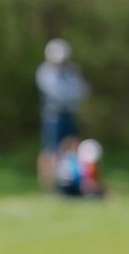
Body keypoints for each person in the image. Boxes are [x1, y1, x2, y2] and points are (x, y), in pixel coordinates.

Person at [36, 38, 89, 189]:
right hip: (54, 116)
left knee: (72, 147)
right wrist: (70, 95)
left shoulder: (72, 71)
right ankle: (49, 184)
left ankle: (71, 181)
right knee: (51, 150)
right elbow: (56, 93)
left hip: (70, 113)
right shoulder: (45, 72)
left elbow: (82, 90)